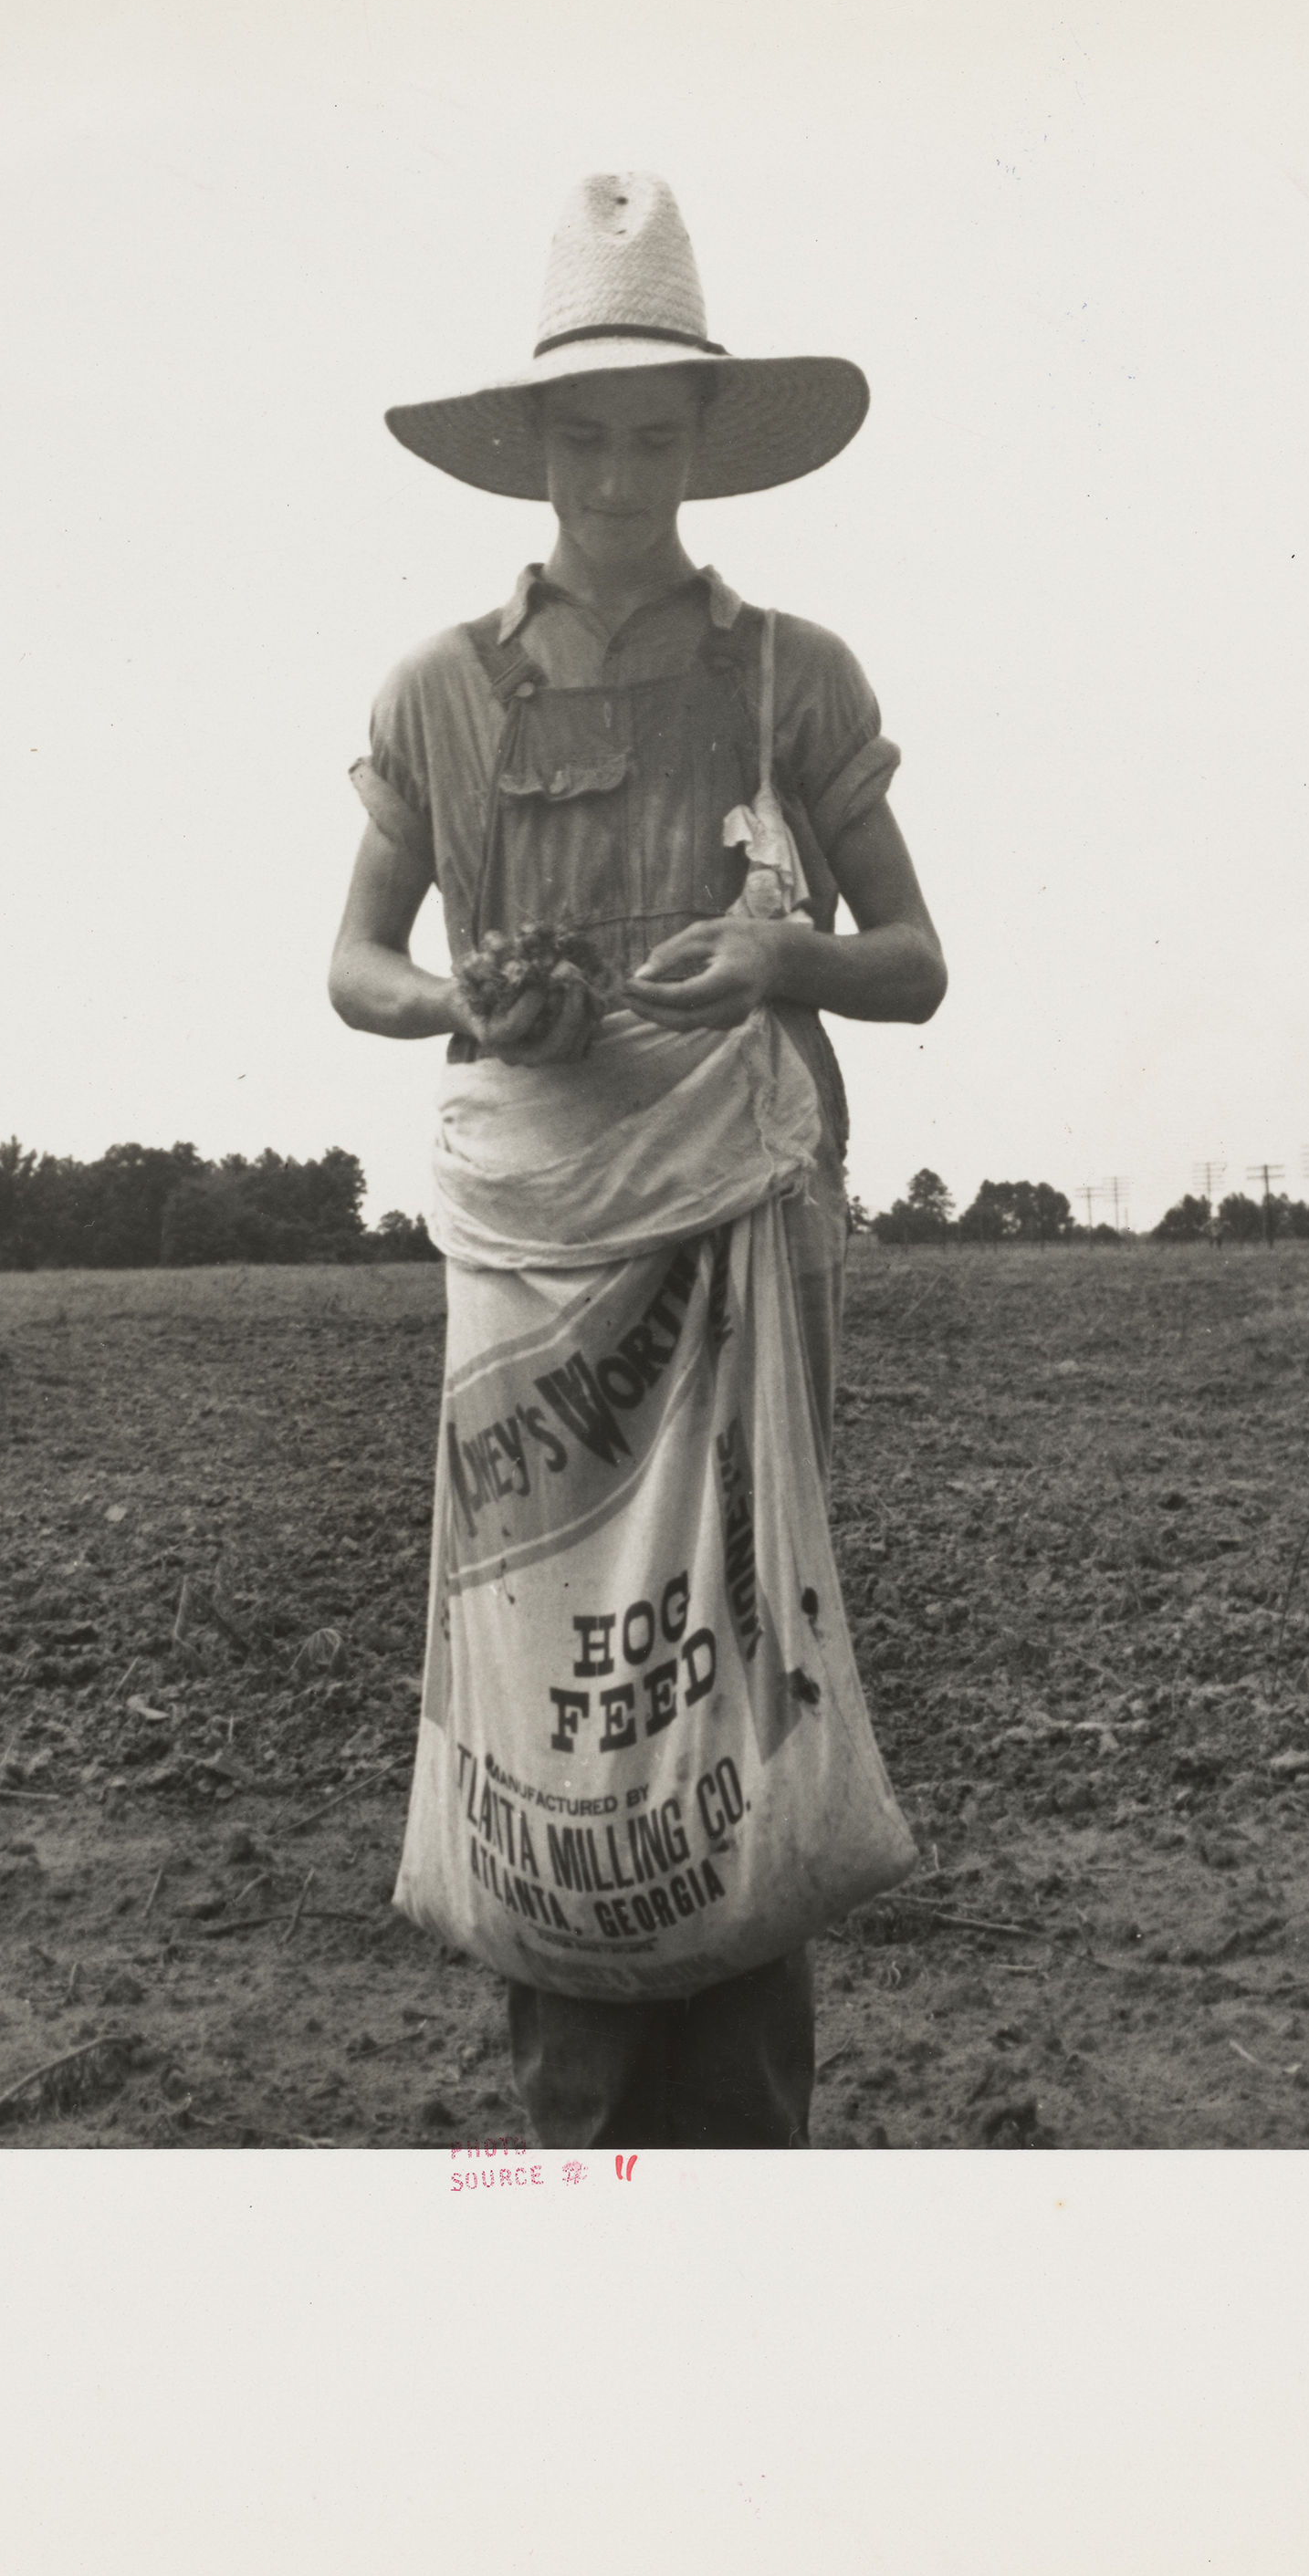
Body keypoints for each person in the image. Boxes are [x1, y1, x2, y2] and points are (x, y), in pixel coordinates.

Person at [329, 172, 946, 2149]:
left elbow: (917, 964)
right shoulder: (436, 685)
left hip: (735, 1238)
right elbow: (353, 961)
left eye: (653, 435)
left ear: (702, 445)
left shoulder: (787, 676)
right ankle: (572, 2123)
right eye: (581, 438)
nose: (614, 476)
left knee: (729, 1650)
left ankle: (746, 2136)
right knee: (540, 1664)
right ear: (531, 449)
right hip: (529, 1258)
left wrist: (786, 957)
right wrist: (456, 1007)